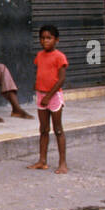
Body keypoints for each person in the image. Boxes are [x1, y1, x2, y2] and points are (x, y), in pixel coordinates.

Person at [28, 24, 69, 173]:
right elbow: (41, 71)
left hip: (53, 97)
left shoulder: (60, 57)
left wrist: (49, 96)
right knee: (43, 129)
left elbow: (61, 79)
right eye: (43, 38)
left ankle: (62, 163)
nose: (45, 41)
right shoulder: (39, 55)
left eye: (49, 38)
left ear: (56, 40)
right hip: (41, 95)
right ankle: (42, 161)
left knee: (58, 129)